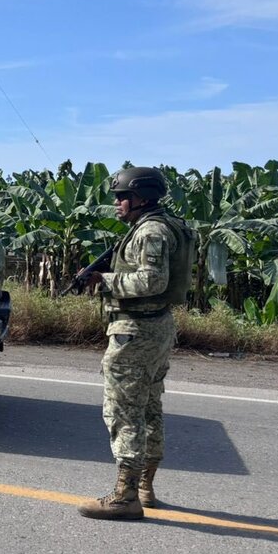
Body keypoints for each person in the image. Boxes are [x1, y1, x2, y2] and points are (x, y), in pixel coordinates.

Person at [78, 166, 196, 521]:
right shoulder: (166, 224)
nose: (117, 203)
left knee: (124, 410)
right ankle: (145, 486)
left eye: (122, 196)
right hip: (157, 327)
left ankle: (125, 496)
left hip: (136, 331)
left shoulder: (150, 231)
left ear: (142, 198)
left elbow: (152, 280)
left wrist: (105, 281)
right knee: (149, 408)